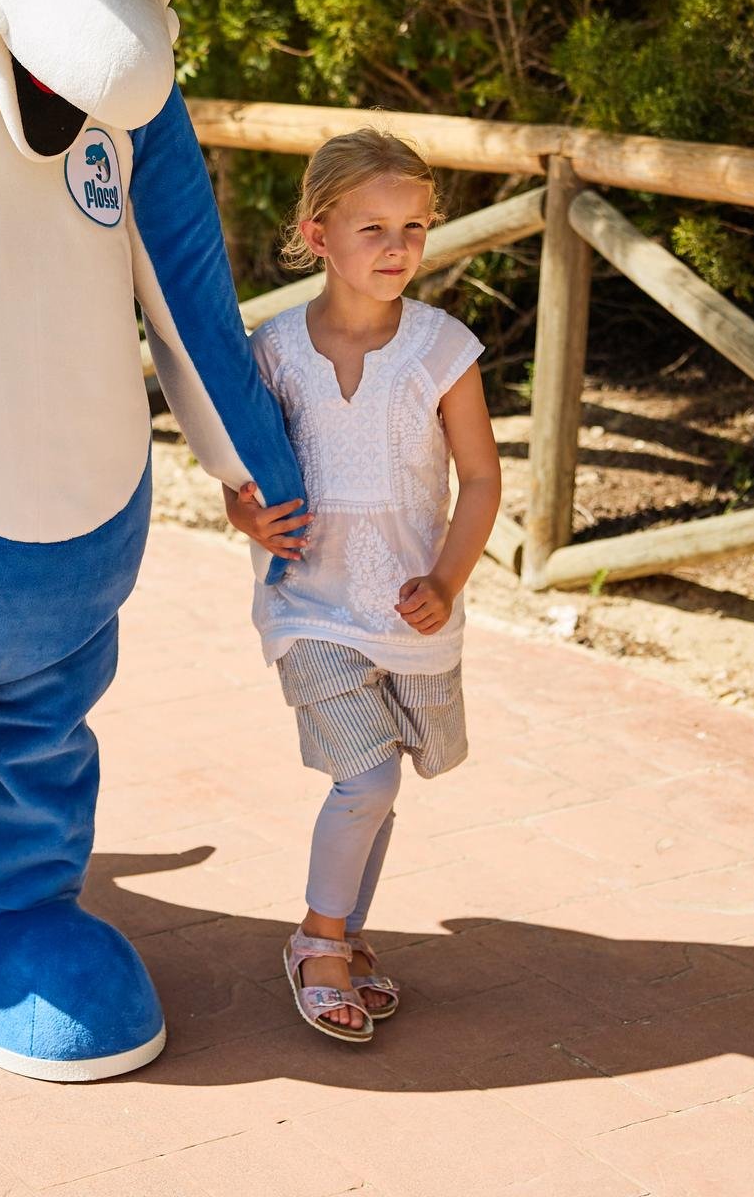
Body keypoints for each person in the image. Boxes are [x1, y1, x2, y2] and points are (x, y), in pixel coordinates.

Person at [223, 129, 502, 1042]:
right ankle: (319, 943)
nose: (397, 247)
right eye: (373, 227)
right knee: (366, 777)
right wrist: (246, 519)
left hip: (409, 610)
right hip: (309, 604)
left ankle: (345, 934)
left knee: (383, 783)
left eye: (414, 227)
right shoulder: (273, 351)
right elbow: (238, 474)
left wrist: (447, 580)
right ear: (317, 234)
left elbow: (482, 478)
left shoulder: (441, 348)